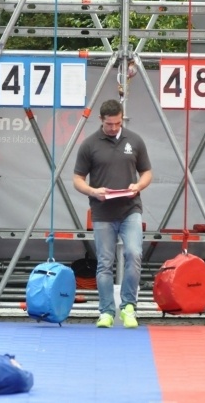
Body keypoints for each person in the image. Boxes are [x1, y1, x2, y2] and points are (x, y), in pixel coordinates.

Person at [73, 99, 152, 329]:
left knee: (134, 254)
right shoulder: (89, 145)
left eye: (118, 123)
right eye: (109, 124)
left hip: (130, 209)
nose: (114, 128)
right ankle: (106, 311)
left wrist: (138, 186)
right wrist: (93, 191)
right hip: (102, 213)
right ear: (101, 120)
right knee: (105, 263)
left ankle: (128, 307)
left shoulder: (135, 140)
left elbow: (147, 172)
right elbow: (77, 179)